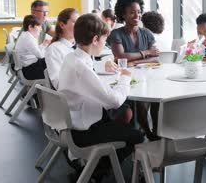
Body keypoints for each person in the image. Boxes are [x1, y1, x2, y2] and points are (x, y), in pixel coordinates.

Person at [58, 14, 143, 179]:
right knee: (137, 135)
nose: (106, 44)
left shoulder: (72, 58)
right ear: (95, 39)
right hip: (82, 132)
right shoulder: (81, 68)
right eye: (105, 40)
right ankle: (95, 170)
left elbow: (87, 72)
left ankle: (96, 168)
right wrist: (125, 77)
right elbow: (115, 101)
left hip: (73, 122)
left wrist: (102, 64)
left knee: (123, 115)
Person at [108, 0, 160, 141]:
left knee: (157, 100)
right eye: (132, 13)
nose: (137, 16)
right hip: (125, 79)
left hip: (148, 77)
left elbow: (156, 59)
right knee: (141, 101)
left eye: (138, 12)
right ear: (123, 15)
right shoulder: (116, 34)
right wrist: (146, 53)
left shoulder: (147, 33)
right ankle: (147, 132)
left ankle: (155, 133)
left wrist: (135, 62)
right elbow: (120, 57)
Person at [45, 9, 119, 89]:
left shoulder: (80, 45)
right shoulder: (54, 49)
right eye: (75, 22)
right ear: (62, 25)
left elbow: (90, 67)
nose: (80, 26)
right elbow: (58, 84)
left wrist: (104, 64)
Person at [14, 15, 48, 80]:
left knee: (49, 60)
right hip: (29, 71)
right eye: (38, 26)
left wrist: (43, 44)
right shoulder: (28, 38)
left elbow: (36, 51)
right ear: (30, 27)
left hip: (27, 67)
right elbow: (40, 55)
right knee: (50, 60)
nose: (41, 29)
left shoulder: (26, 35)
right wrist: (44, 45)